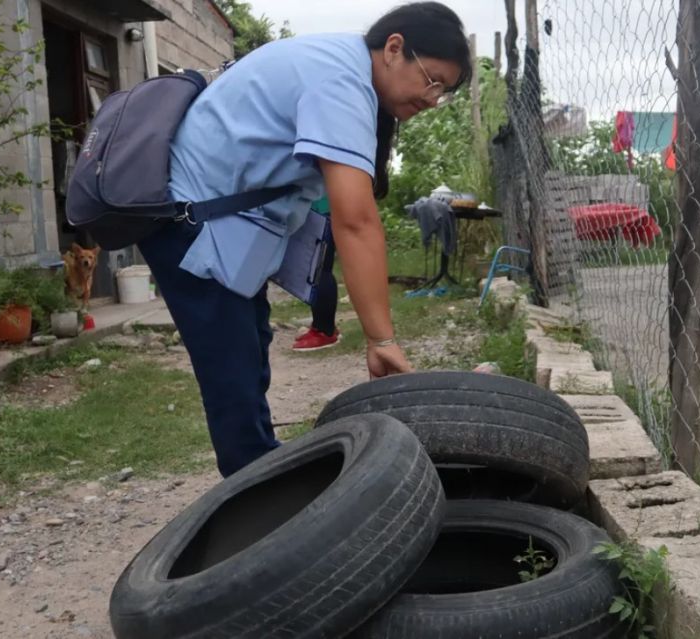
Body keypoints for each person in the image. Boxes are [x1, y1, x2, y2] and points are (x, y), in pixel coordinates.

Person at [138, 2, 473, 477]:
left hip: (217, 224)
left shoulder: (344, 69)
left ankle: (261, 468)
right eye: (432, 80)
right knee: (232, 371)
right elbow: (355, 220)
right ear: (394, 48)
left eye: (444, 92)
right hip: (193, 225)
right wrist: (381, 339)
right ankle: (258, 498)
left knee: (249, 347)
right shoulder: (339, 80)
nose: (433, 99)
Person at [292, 196, 342, 351]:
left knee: (319, 271)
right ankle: (323, 326)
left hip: (321, 209)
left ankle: (324, 331)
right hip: (321, 207)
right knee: (319, 269)